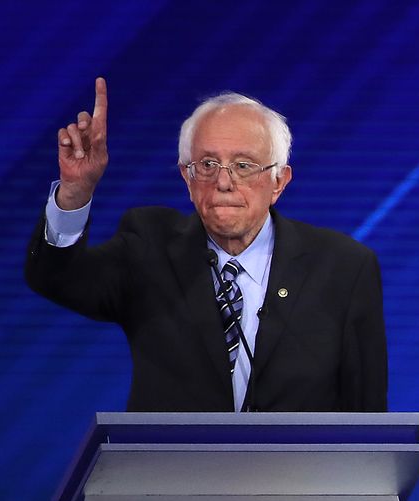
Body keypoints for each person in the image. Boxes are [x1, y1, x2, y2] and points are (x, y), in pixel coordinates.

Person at [25, 79, 387, 412]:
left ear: (279, 181)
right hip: (172, 463)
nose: (223, 182)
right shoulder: (149, 246)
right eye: (208, 164)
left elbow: (368, 416)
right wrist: (74, 194)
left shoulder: (343, 268)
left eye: (243, 165)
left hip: (300, 465)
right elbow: (57, 280)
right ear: (187, 177)